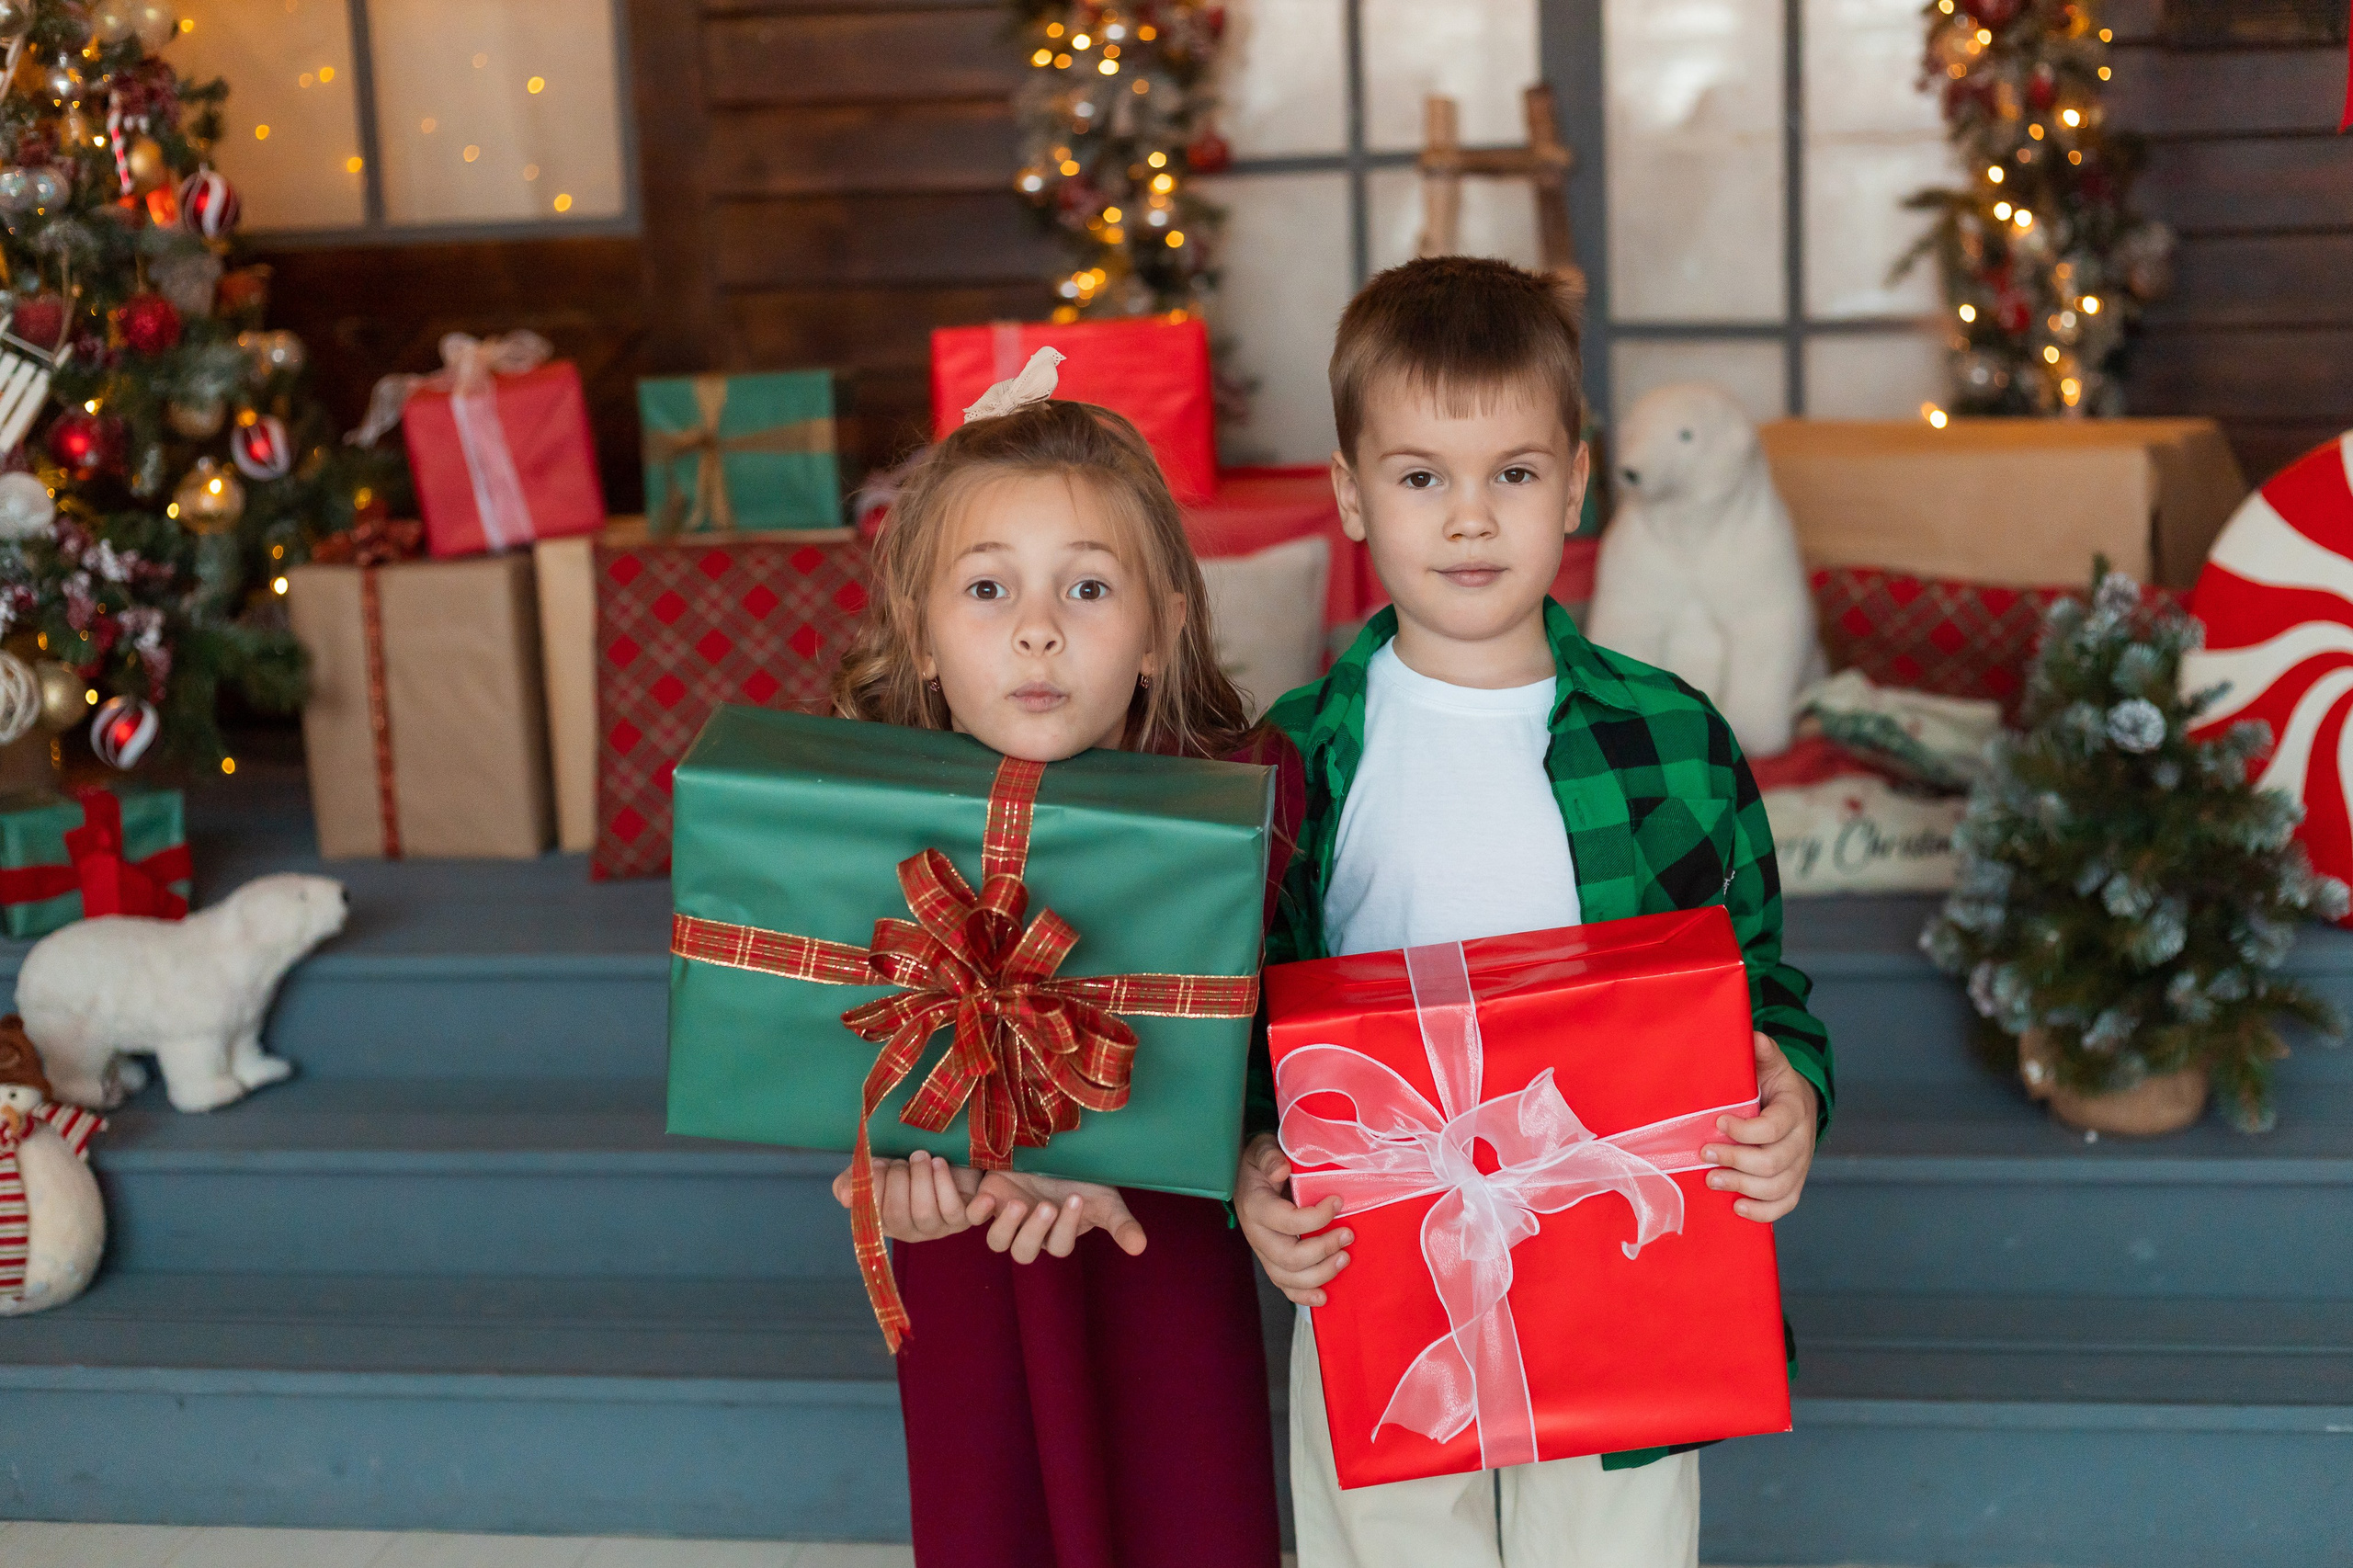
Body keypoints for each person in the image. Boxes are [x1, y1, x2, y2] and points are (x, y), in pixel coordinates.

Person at [1235, 256, 1836, 1568]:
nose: (1468, 518)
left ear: (1574, 482)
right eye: (1418, 476)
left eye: (1511, 473)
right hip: (1368, 1255)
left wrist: (1791, 1096)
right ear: (1349, 494)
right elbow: (1239, 1018)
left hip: (1628, 1247)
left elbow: (1761, 985)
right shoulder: (1291, 759)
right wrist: (1252, 1174)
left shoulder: (1674, 739)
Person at [827, 357, 1297, 1568]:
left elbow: (1267, 1056)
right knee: (997, 1525)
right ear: (920, 637)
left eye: (1088, 587)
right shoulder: (869, 831)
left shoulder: (1240, 810)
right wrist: (884, 1182)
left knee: (1189, 1511)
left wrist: (1153, 1157)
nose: (1038, 626)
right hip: (970, 1260)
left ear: (1160, 631)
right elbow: (835, 1047)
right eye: (989, 588)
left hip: (1162, 1252)